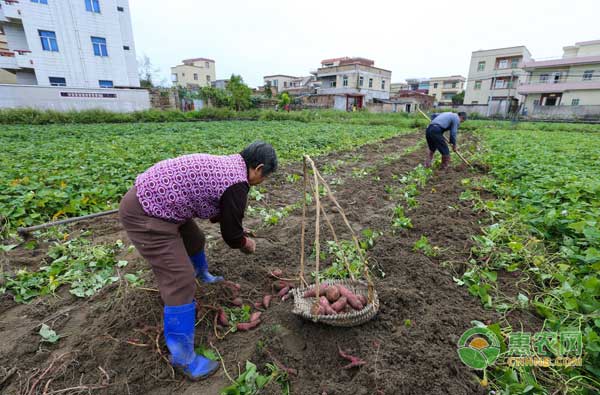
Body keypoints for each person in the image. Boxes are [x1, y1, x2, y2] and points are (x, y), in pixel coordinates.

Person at [119, 141, 278, 380]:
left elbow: (214, 205)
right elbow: (232, 236)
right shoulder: (237, 183)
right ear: (258, 168)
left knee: (194, 238)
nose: (261, 182)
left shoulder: (232, 164)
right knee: (180, 280)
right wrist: (246, 244)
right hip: (147, 213)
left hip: (161, 201)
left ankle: (202, 276)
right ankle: (183, 358)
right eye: (264, 177)